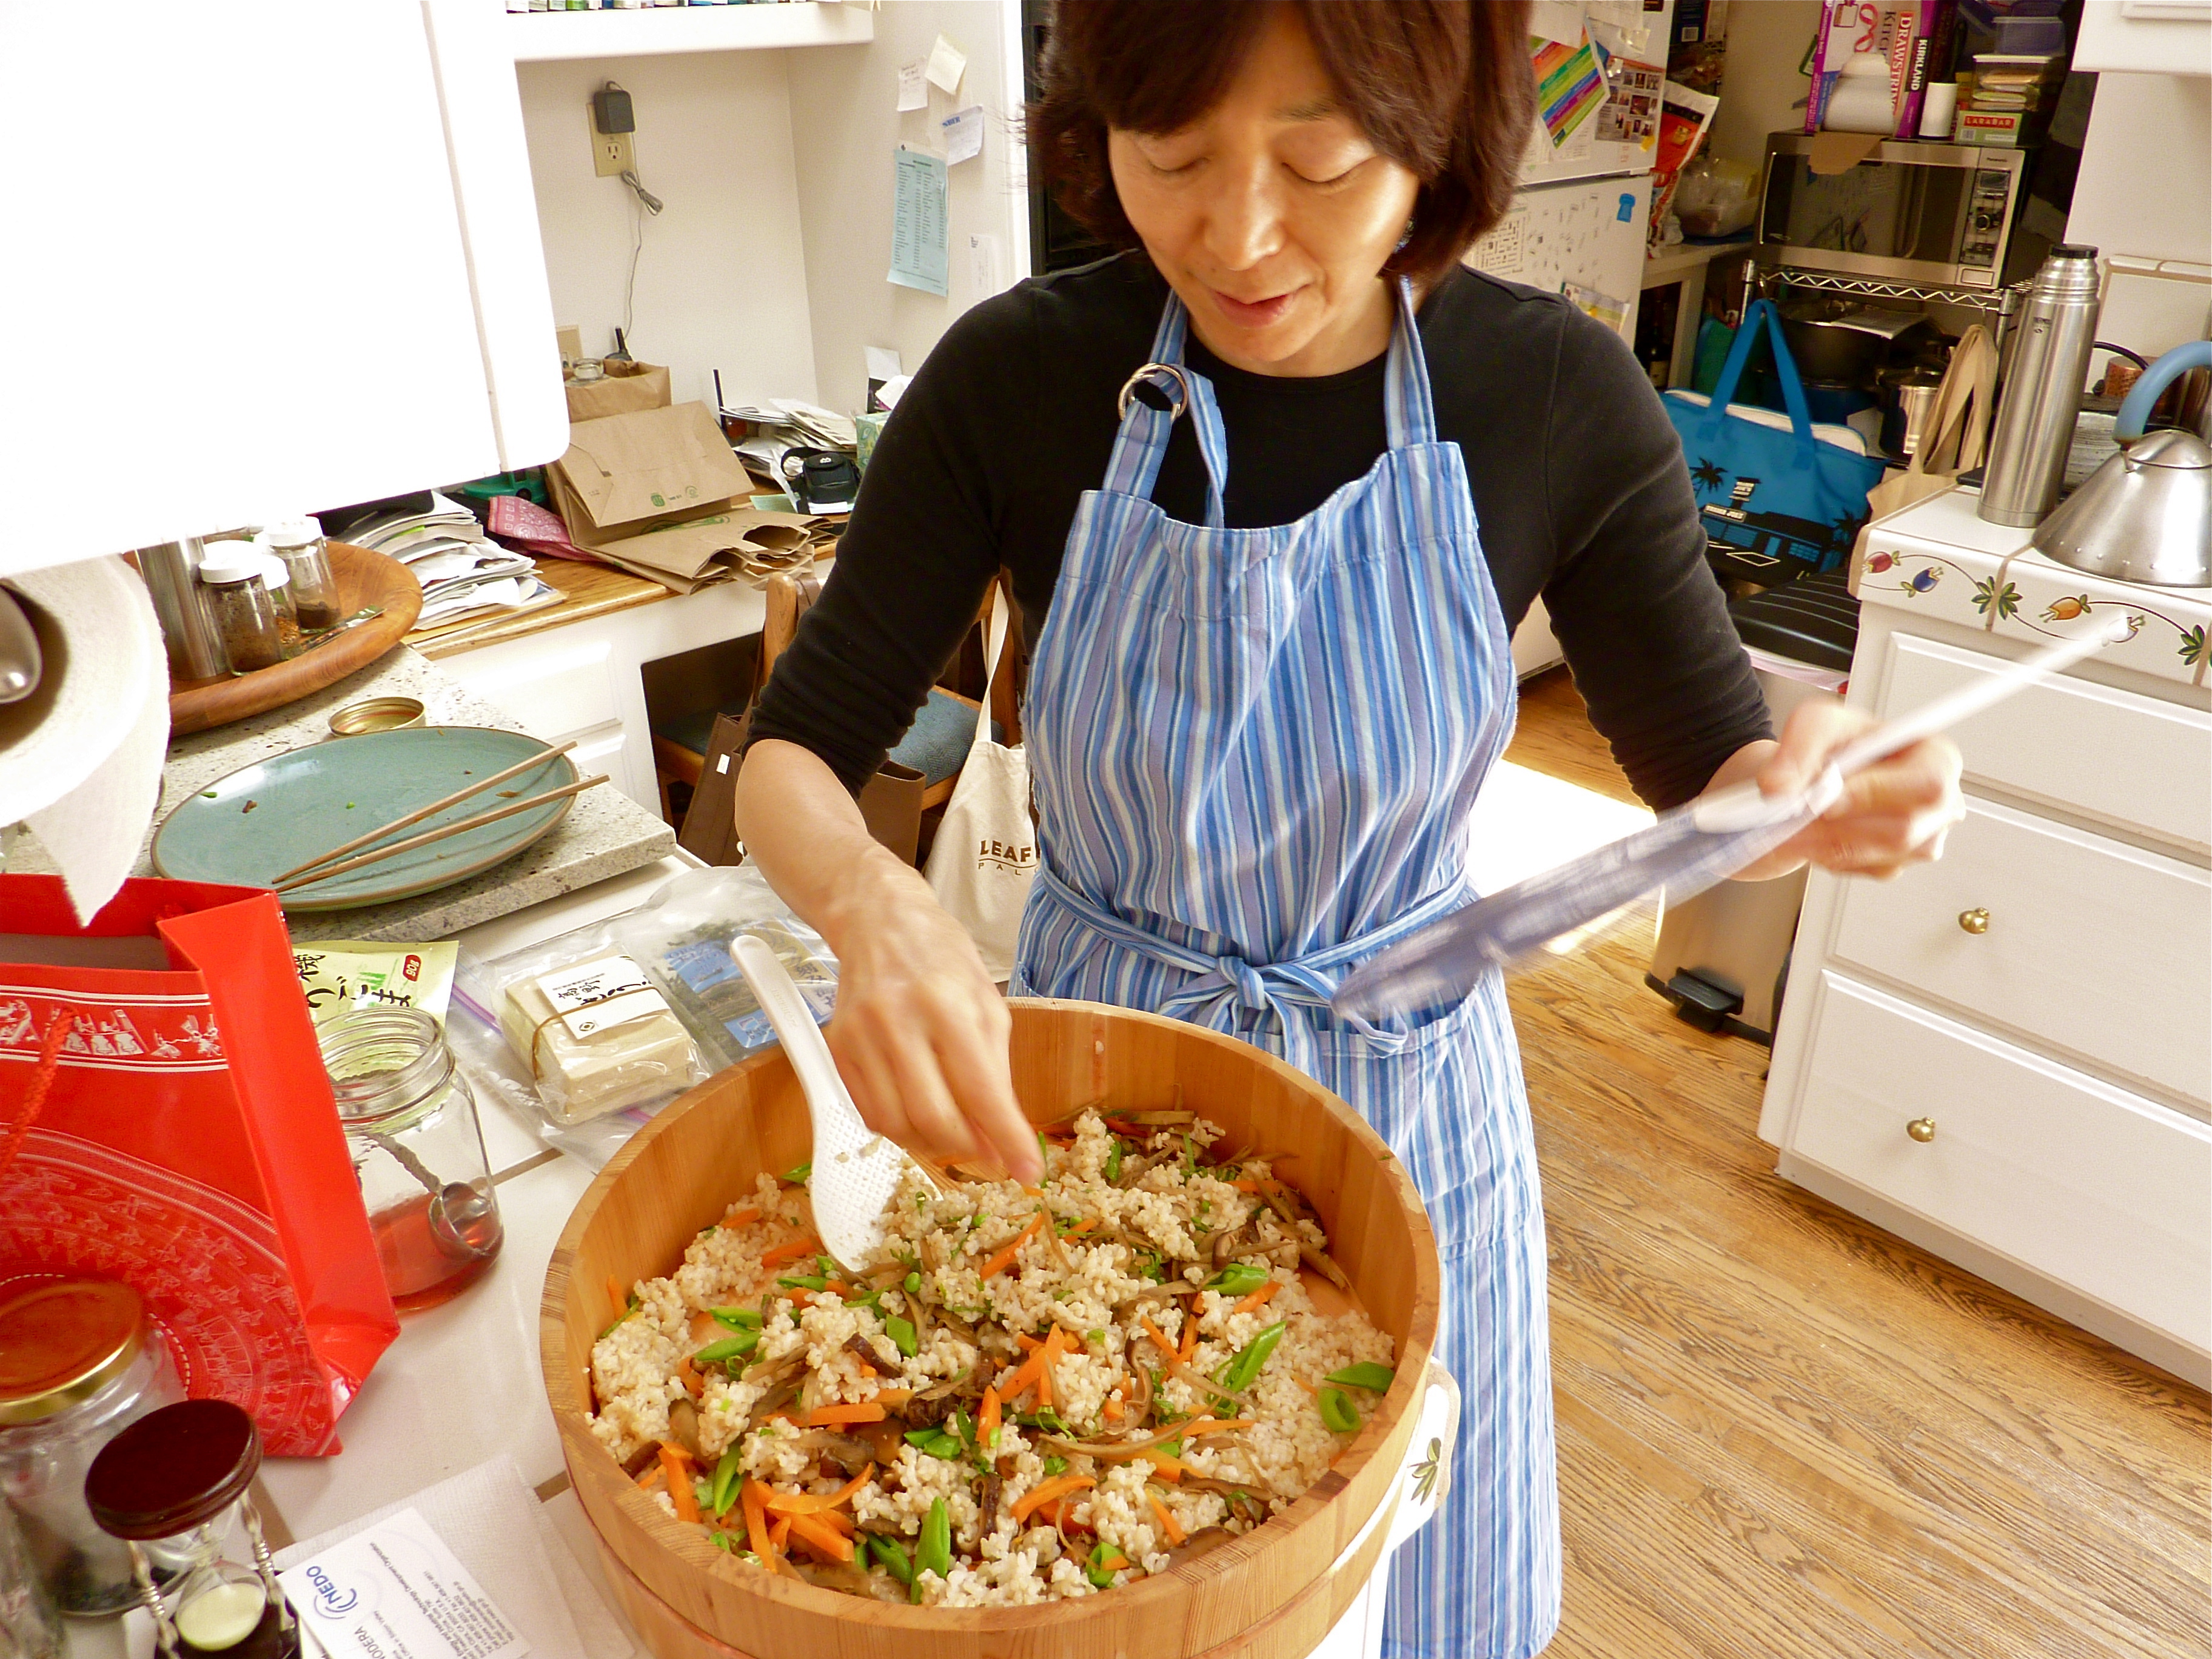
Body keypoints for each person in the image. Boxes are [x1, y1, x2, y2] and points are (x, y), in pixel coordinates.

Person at [737, 4, 1963, 1654]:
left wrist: (1809, 804)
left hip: (1409, 1108)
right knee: (1106, 1541)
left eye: (1318, 161)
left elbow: (1712, 798)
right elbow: (787, 756)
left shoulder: (1554, 395)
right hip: (1101, 1108)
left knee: (1407, 1581)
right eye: (1172, 158)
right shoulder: (1021, 377)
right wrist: (875, 911)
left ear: (1436, 138)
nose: (1237, 236)